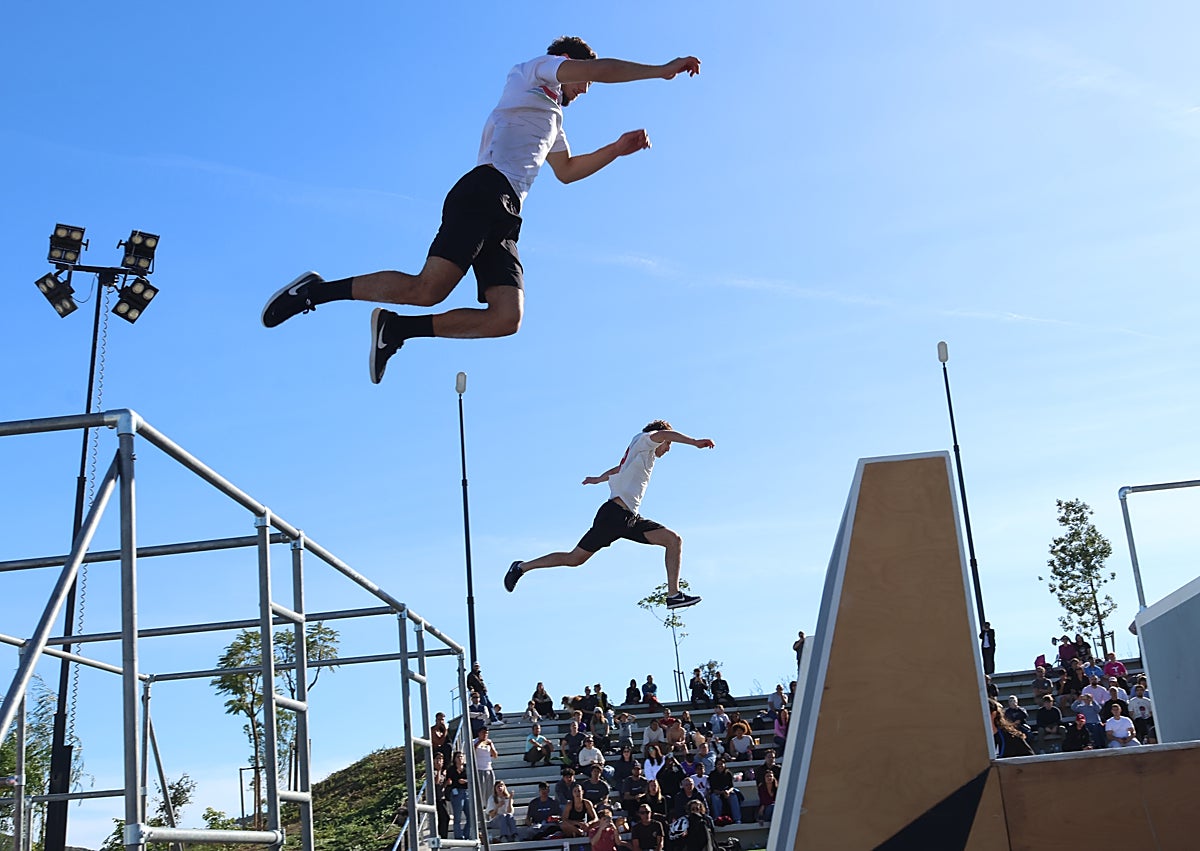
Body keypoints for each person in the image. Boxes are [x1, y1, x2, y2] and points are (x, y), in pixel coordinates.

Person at [262, 38, 702, 383]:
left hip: (507, 214)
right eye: (581, 83)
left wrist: (616, 150)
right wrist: (662, 70)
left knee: (506, 317)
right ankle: (315, 292)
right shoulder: (532, 73)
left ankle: (396, 331)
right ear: (566, 60)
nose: (584, 91)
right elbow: (597, 71)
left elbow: (566, 171)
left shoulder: (552, 118)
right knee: (428, 289)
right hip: (483, 191)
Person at [504, 421, 715, 610]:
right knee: (574, 558)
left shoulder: (640, 453)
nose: (668, 449)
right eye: (668, 445)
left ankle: (673, 595)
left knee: (673, 539)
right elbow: (664, 435)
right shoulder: (645, 440)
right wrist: (695, 442)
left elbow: (619, 469)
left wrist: (598, 479)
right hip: (614, 516)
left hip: (628, 518)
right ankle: (521, 567)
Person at [707, 757, 742, 824]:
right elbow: (713, 789)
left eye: (722, 764)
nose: (720, 766)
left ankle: (737, 819)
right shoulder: (712, 774)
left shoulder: (728, 773)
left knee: (733, 796)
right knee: (715, 797)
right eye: (718, 764)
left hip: (727, 792)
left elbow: (731, 786)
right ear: (716, 765)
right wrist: (722, 792)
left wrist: (728, 792)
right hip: (717, 793)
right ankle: (717, 818)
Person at [446, 750, 471, 840]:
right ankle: (458, 836)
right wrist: (454, 782)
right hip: (456, 792)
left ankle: (466, 834)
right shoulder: (451, 769)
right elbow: (449, 781)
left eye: (461, 756)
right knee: (457, 816)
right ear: (455, 759)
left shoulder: (467, 768)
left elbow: (472, 779)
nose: (460, 758)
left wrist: (466, 781)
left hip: (466, 791)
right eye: (458, 757)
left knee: (470, 816)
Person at [474, 727, 499, 799]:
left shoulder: (489, 742)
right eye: (483, 733)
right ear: (479, 733)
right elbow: (472, 751)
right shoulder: (474, 741)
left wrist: (491, 746)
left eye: (486, 733)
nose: (485, 734)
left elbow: (495, 755)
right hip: (479, 769)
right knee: (481, 790)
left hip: (488, 768)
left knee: (490, 790)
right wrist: (479, 742)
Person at [432, 751, 451, 839]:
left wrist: (446, 783)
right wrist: (439, 770)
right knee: (444, 817)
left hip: (442, 797)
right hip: (436, 798)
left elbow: (441, 787)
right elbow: (436, 782)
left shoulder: (443, 772)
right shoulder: (433, 771)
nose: (439, 761)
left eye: (441, 759)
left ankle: (443, 836)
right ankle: (442, 837)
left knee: (444, 817)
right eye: (437, 759)